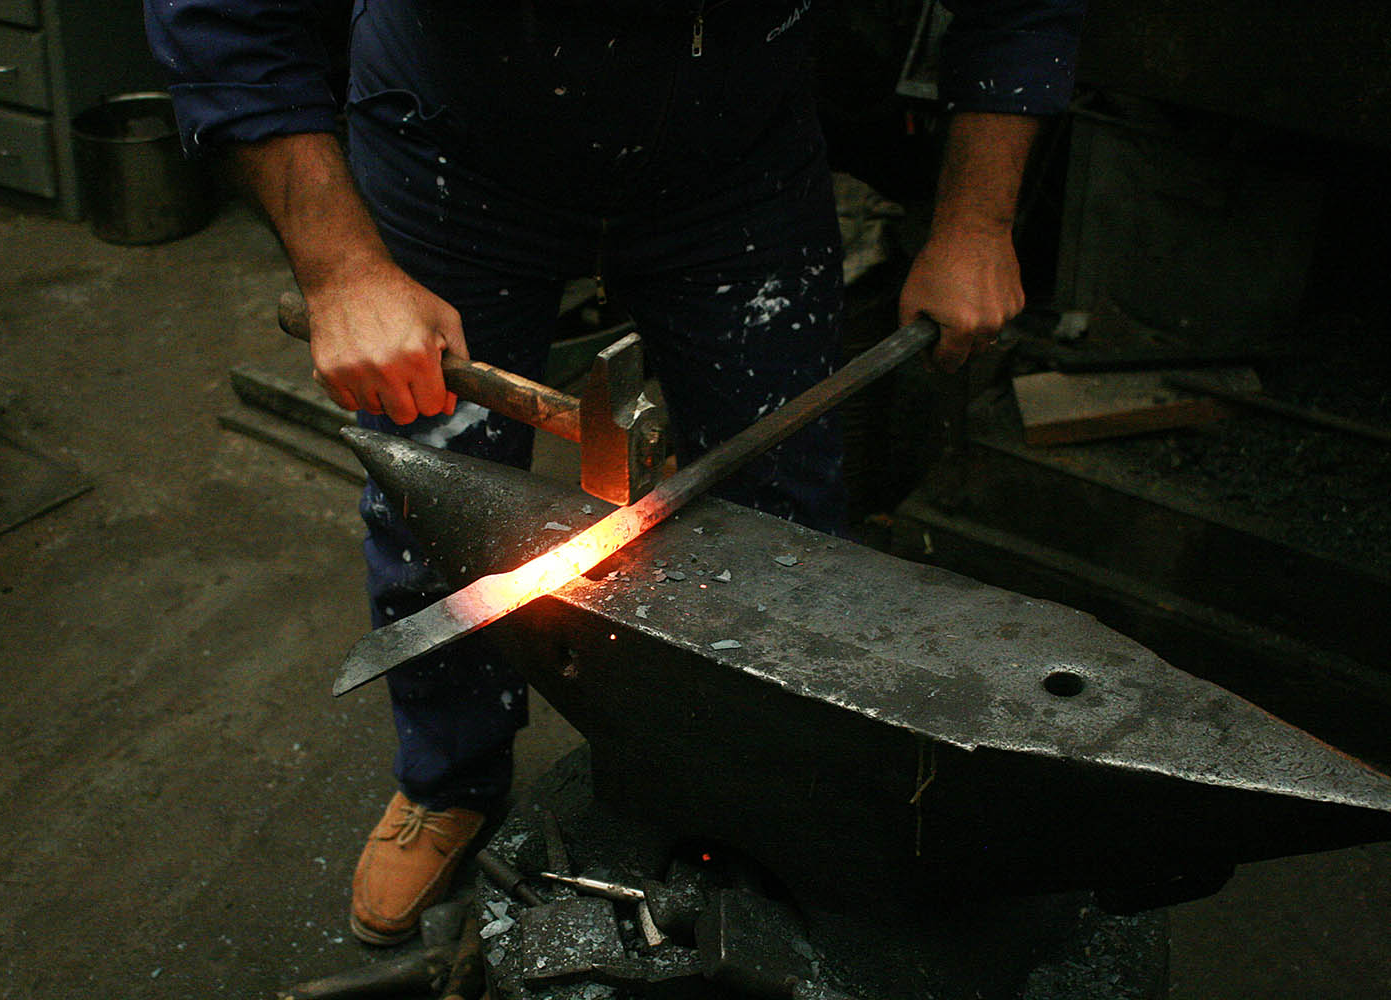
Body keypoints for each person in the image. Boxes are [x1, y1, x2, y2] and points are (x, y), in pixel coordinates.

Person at [145, 0, 1083, 945]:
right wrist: (341, 267)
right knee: (434, 503)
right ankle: (447, 779)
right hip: (448, 142)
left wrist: (976, 220)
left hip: (736, 156)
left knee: (785, 519)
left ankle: (769, 785)